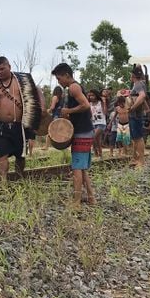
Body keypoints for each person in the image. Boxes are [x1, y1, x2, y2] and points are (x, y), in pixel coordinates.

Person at [0, 57, 41, 181]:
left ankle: (19, 178)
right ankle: (3, 183)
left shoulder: (22, 81)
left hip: (20, 126)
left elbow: (37, 93)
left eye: (2, 69)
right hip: (2, 126)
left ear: (9, 67)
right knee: (2, 153)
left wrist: (42, 110)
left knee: (20, 155)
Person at [52, 63, 95, 207]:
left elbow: (86, 105)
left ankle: (76, 202)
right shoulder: (74, 87)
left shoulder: (73, 87)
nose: (59, 82)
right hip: (85, 131)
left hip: (82, 133)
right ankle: (91, 197)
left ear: (66, 75)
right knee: (82, 167)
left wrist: (68, 111)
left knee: (76, 168)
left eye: (59, 79)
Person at [129, 65, 148, 168]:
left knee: (139, 138)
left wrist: (132, 107)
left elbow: (142, 96)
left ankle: (141, 161)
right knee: (135, 138)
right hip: (134, 115)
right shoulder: (141, 83)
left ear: (133, 75)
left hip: (136, 115)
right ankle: (135, 158)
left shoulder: (138, 84)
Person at [88, 89, 107, 158]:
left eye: (92, 95)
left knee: (93, 137)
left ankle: (95, 153)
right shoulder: (89, 104)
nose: (91, 97)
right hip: (93, 123)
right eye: (90, 96)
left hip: (101, 123)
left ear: (96, 95)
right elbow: (90, 115)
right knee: (98, 140)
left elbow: (105, 112)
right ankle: (100, 155)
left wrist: (104, 102)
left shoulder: (100, 102)